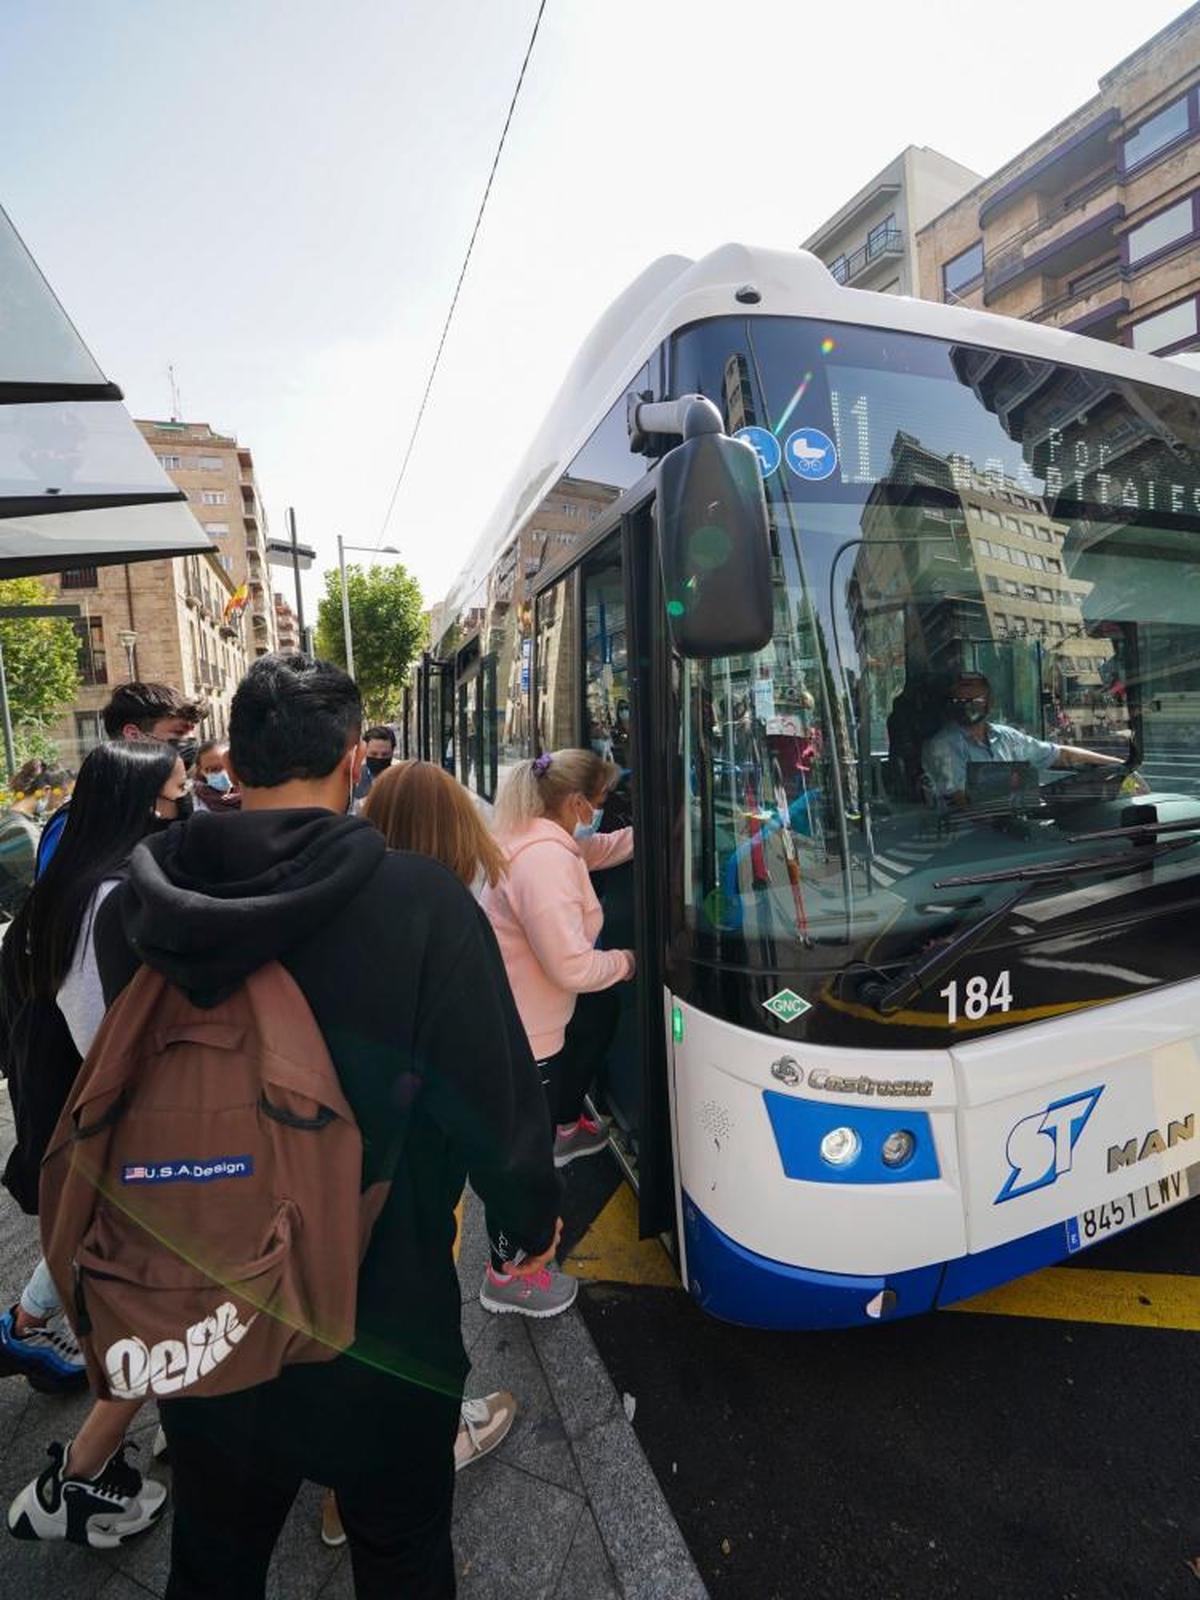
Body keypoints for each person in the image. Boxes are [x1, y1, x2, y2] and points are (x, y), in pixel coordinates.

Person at [90, 653, 561, 1598]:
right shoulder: (420, 905)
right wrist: (530, 1221)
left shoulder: (137, 909)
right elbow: (498, 1112)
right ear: (354, 761)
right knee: (402, 1553)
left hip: (205, 1308)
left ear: (232, 765)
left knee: (216, 1561)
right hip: (382, 1319)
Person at [1, 740, 187, 1548]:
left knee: (154, 1315)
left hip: (69, 1143)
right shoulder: (110, 901)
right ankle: (73, 1481)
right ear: (142, 804)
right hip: (114, 1155)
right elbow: (111, 1042)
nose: (187, 806)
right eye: (179, 795)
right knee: (156, 1323)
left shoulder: (61, 892)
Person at [479, 749, 634, 1318]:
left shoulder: (531, 835)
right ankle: (508, 1275)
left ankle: (513, 1262)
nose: (598, 814)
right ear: (573, 804)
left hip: (517, 1027)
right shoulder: (544, 861)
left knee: (525, 1154)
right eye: (596, 803)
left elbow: (593, 848)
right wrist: (628, 962)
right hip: (526, 1039)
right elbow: (570, 966)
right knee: (523, 1164)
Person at [37, 682, 206, 871]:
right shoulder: (74, 821)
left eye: (192, 734)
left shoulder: (180, 805)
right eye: (179, 733)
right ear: (134, 735)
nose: (190, 743)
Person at [921, 671, 1125, 806]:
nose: (967, 706)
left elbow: (1060, 755)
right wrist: (1025, 788)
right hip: (967, 847)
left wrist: (1121, 766)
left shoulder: (1007, 737)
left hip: (1016, 836)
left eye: (975, 701)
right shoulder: (942, 745)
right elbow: (965, 803)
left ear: (990, 703)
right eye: (960, 701)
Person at [0, 760, 64, 917]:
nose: (60, 802)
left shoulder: (13, 820)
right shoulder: (19, 829)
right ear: (46, 791)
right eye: (61, 794)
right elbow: (39, 884)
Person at [191, 739, 241, 813]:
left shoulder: (254, 795)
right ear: (201, 771)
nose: (223, 773)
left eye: (227, 766)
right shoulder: (193, 802)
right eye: (213, 769)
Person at [352, 724, 397, 805]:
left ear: (393, 751)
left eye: (385, 754)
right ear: (365, 751)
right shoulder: (354, 778)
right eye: (373, 754)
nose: (379, 758)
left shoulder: (401, 778)